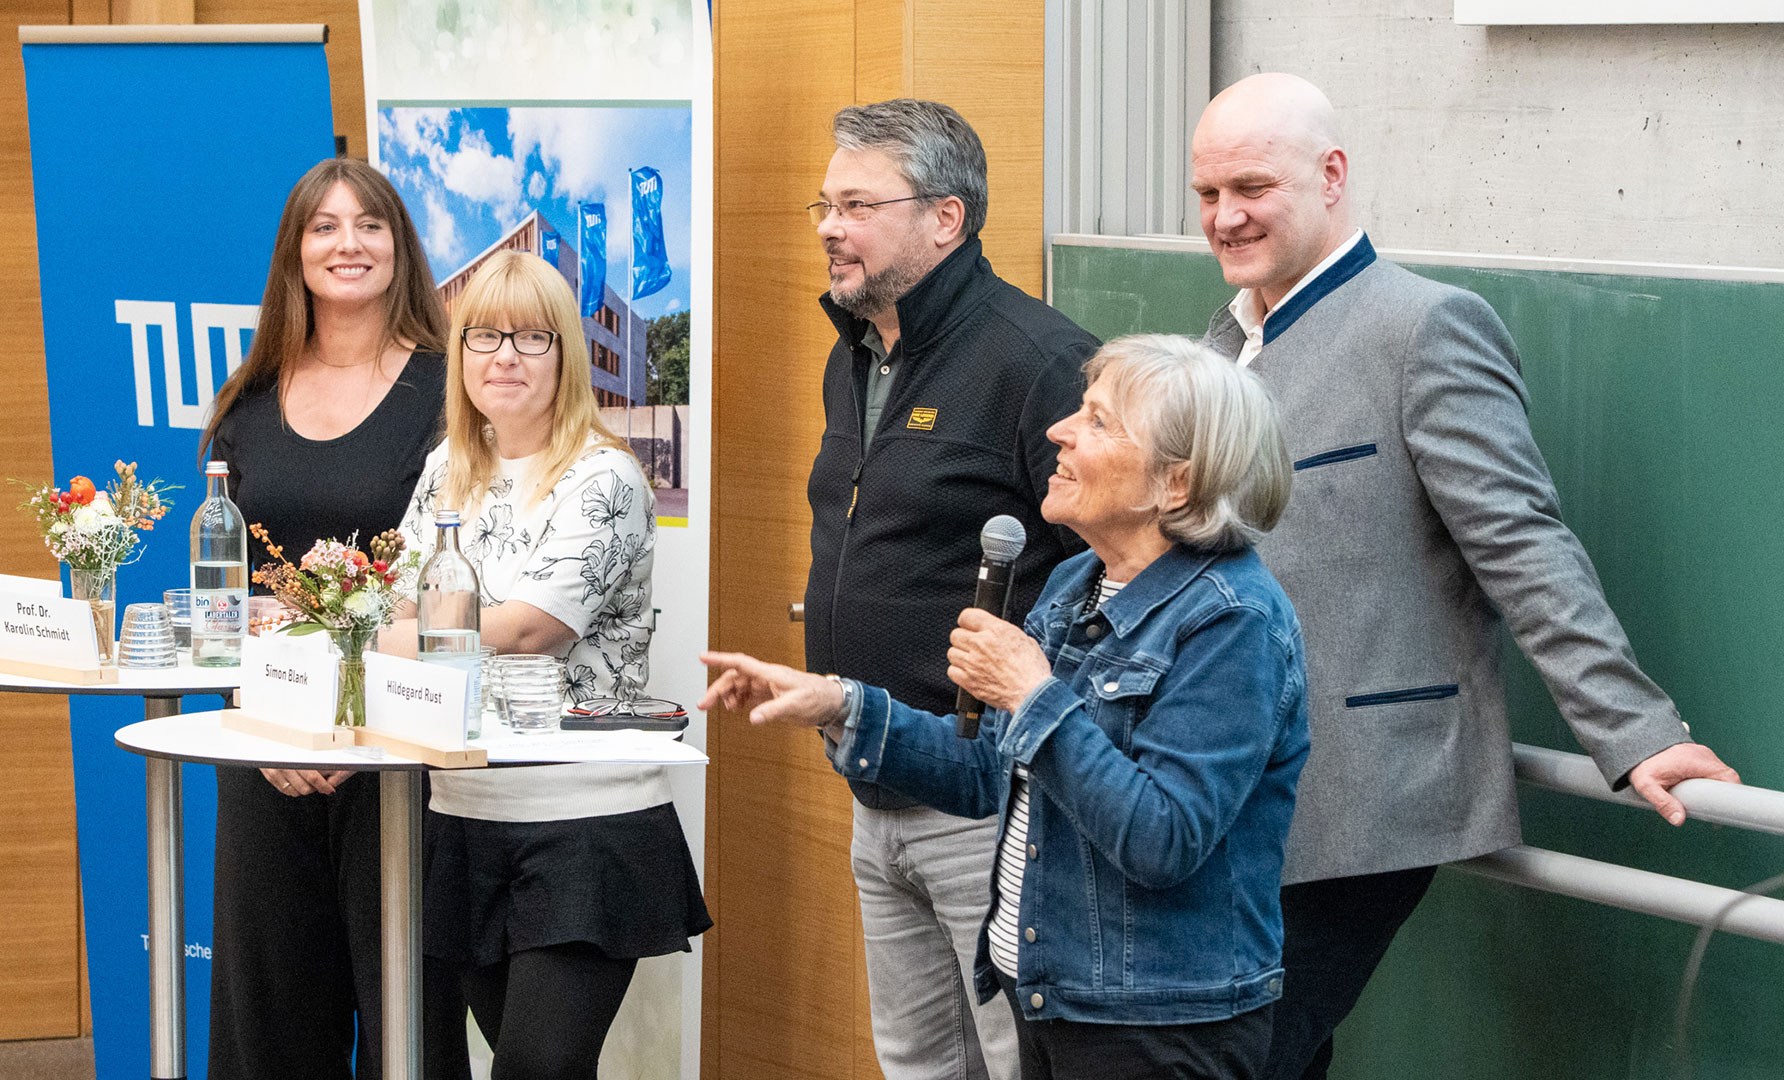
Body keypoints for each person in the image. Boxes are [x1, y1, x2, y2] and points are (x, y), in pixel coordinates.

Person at [1185, 72, 1742, 1080]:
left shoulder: (1426, 327)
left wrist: (1637, 731)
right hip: (1219, 785)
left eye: (1252, 188)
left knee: (1235, 1058)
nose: (1225, 217)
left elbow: (1522, 542)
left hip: (1360, 796)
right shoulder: (1220, 343)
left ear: (1331, 176)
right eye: (1208, 194)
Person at [705, 334, 1309, 1080]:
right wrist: (839, 704)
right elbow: (986, 770)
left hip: (1154, 1026)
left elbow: (1164, 838)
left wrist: (1032, 693)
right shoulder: (1075, 583)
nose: (1060, 430)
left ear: (1175, 484)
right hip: (1047, 1000)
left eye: (1097, 420)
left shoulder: (1232, 620)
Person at [803, 97, 1099, 1080]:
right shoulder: (856, 353)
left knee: (1016, 1063)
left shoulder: (1040, 362)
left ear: (945, 218)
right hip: (874, 776)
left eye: (857, 205)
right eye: (824, 205)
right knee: (918, 1064)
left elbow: (1116, 568)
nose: (830, 227)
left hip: (994, 803)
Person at [377, 250, 710, 1080]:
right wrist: (407, 628)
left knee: (534, 1069)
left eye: (532, 338)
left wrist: (406, 633)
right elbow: (389, 605)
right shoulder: (444, 472)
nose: (505, 357)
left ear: (567, 355)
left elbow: (530, 631)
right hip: (465, 810)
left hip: (584, 821)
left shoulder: (605, 476)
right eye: (484, 337)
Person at [200, 157, 449, 1079]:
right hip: (268, 747)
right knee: (268, 1025)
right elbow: (223, 591)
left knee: (406, 1023)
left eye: (370, 225)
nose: (350, 244)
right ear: (294, 253)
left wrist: (357, 716)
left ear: (400, 246)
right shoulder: (248, 401)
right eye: (325, 227)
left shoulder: (449, 391)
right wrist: (266, 717)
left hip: (397, 751)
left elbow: (456, 576)